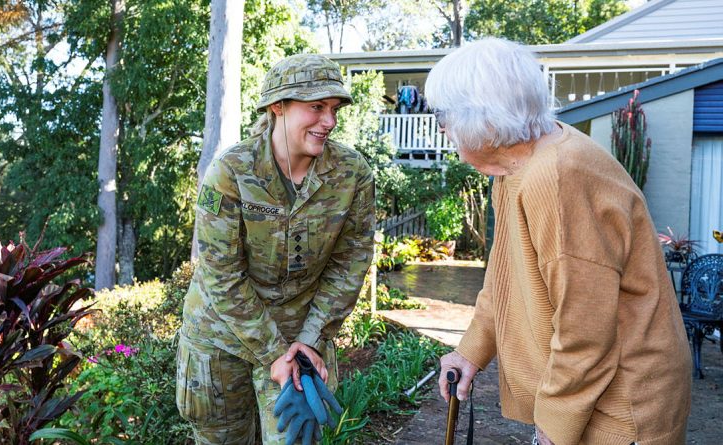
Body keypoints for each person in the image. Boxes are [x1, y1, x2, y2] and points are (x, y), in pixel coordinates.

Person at [426, 38, 692, 445]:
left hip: (623, 410)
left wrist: (553, 423)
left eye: (445, 115)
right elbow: (505, 275)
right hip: (593, 393)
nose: (442, 126)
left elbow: (585, 328)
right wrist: (470, 352)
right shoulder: (514, 168)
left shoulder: (557, 176)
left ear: (485, 121)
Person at [176, 53, 375, 444]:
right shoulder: (231, 173)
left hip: (301, 340)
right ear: (277, 107)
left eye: (334, 108)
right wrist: (273, 355)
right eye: (316, 107)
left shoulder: (352, 174)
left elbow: (350, 261)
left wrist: (310, 339)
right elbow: (222, 274)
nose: (329, 121)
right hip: (221, 339)